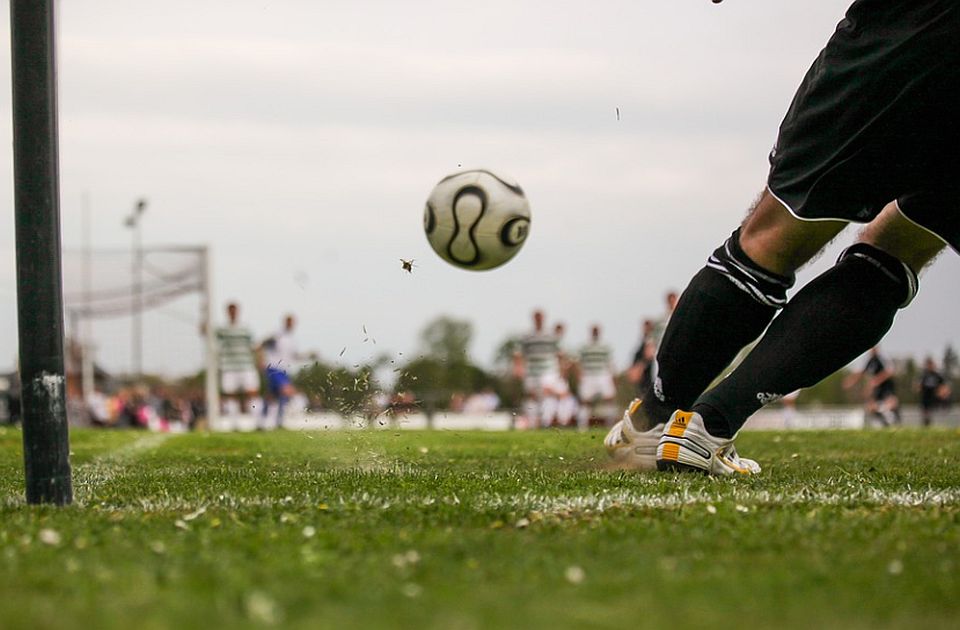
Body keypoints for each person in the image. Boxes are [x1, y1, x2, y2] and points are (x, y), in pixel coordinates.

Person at [606, 1, 958, 474]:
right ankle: (707, 426)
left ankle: (655, 421)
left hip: (914, 27)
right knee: (902, 247)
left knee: (772, 237)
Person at [512, 310, 563, 428]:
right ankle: (533, 422)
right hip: (531, 371)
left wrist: (561, 369)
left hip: (548, 370)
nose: (538, 319)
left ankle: (546, 421)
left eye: (540, 317)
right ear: (533, 319)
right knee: (532, 395)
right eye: (536, 317)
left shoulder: (551, 335)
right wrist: (518, 367)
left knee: (547, 392)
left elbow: (559, 353)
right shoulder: (527, 336)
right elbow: (519, 353)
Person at [216, 302, 260, 421]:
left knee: (252, 392)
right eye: (230, 310)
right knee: (230, 394)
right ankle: (233, 423)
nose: (233, 313)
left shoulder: (245, 328)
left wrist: (260, 359)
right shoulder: (222, 329)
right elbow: (210, 336)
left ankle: (257, 421)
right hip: (229, 367)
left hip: (246, 365)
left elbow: (254, 345)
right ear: (227, 312)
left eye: (234, 310)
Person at [259, 314, 304, 430]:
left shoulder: (292, 339)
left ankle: (267, 421)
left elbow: (294, 356)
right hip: (273, 367)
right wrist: (261, 359)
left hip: (284, 370)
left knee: (272, 396)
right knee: (286, 390)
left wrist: (308, 355)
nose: (290, 324)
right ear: (285, 322)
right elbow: (262, 345)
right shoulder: (277, 335)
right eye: (288, 321)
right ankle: (276, 421)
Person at [844, 347, 901, 427]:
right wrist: (851, 380)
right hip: (877, 389)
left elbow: (890, 371)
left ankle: (893, 421)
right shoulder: (870, 361)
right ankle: (883, 423)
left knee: (891, 404)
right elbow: (862, 372)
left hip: (886, 387)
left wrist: (876, 381)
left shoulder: (882, 358)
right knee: (871, 407)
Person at [577, 324, 618, 428]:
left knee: (609, 399)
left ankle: (610, 425)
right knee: (585, 401)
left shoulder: (605, 347)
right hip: (588, 374)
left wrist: (613, 376)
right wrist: (580, 375)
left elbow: (610, 362)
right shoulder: (585, 347)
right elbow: (580, 362)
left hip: (603, 374)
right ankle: (582, 426)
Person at [917, 357, 950, 427]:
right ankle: (926, 425)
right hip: (926, 398)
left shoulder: (937, 375)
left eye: (931, 365)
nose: (930, 366)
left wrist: (942, 393)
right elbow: (918, 387)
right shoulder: (923, 375)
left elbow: (944, 387)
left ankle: (944, 409)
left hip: (935, 397)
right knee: (926, 415)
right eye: (928, 365)